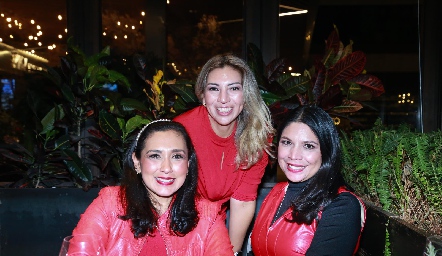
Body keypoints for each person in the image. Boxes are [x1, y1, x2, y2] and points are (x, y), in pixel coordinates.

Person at [71, 120, 234, 255]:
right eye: (155, 156)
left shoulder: (208, 216)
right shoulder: (109, 204)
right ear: (137, 162)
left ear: (188, 165)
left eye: (177, 157)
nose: (166, 167)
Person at [174, 54, 275, 253]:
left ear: (246, 95)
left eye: (234, 88)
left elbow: (243, 202)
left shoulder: (256, 136)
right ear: (202, 95)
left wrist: (230, 252)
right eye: (214, 89)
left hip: (213, 226)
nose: (223, 99)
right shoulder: (181, 132)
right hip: (174, 223)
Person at [250, 105, 366, 256]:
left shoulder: (342, 206)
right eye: (287, 142)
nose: (294, 155)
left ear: (326, 151)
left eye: (308, 146)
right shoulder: (277, 191)